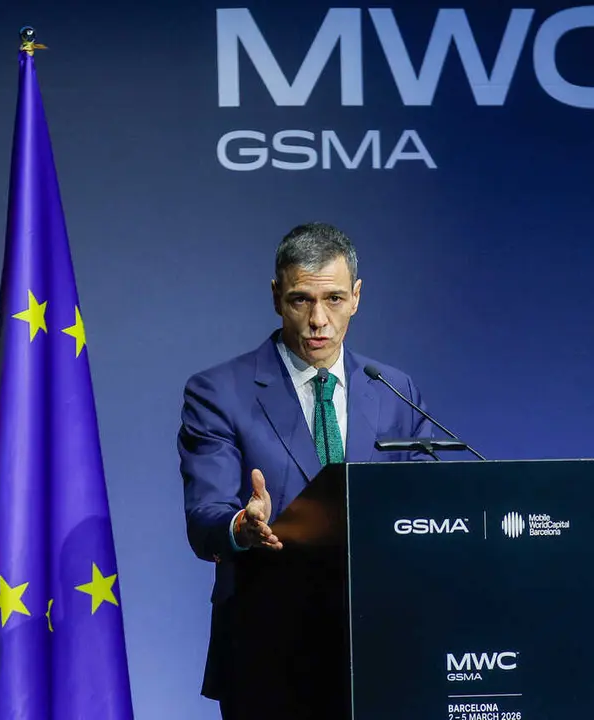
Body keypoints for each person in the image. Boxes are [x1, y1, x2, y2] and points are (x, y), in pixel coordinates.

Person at [177, 222, 433, 719]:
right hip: (267, 651)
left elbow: (423, 501)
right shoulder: (218, 393)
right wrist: (242, 528)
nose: (319, 319)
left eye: (334, 299)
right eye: (301, 300)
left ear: (356, 297)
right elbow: (204, 516)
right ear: (276, 296)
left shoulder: (393, 390)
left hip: (381, 650)